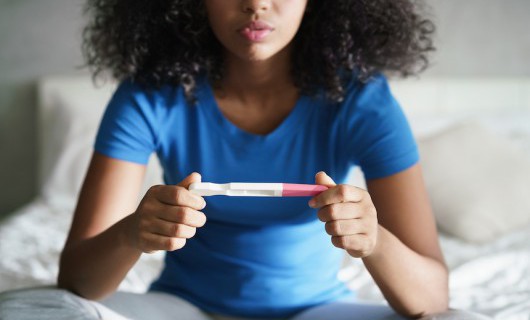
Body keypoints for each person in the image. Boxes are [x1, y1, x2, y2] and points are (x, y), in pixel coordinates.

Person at [0, 0, 492, 319]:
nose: (257, 4)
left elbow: (432, 299)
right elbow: (78, 282)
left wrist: (374, 239)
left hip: (318, 311)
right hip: (183, 308)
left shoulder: (362, 100)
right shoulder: (149, 96)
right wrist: (133, 232)